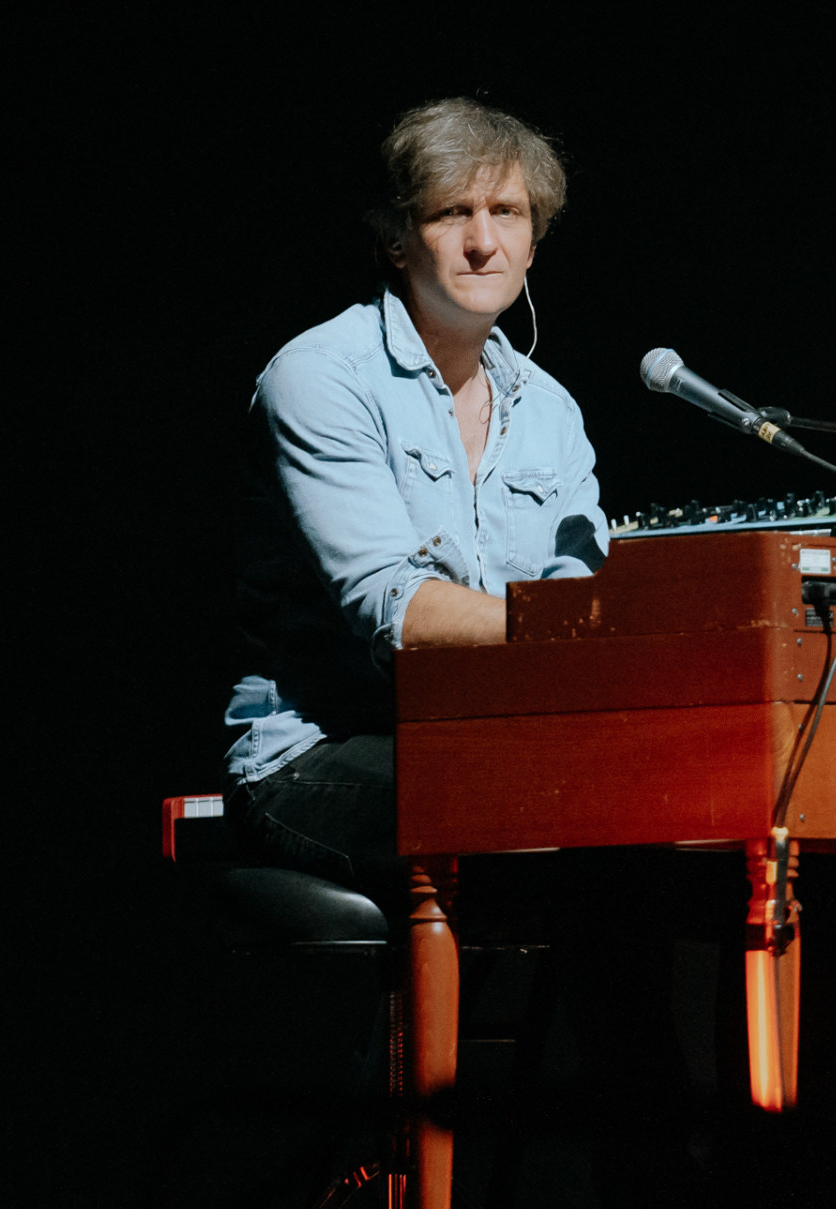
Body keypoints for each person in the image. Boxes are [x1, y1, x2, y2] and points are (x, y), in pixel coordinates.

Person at [223, 98, 608, 914]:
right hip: (318, 754)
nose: (483, 241)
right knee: (548, 804)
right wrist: (571, 629)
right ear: (396, 240)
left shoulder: (553, 413)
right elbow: (393, 611)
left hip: (494, 744)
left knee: (692, 816)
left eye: (507, 213)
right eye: (451, 213)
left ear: (533, 240)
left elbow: (583, 600)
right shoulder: (320, 377)